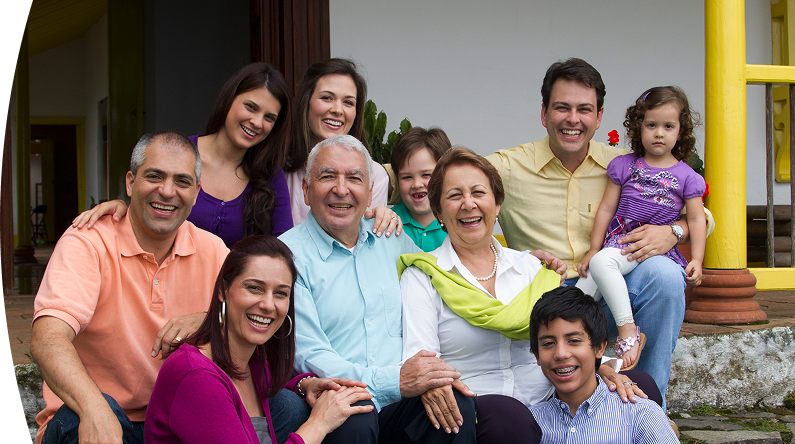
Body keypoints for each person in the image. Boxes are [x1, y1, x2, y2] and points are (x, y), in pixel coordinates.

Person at [485, 58, 712, 408]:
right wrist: (376, 187)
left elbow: (704, 217)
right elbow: (441, 174)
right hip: (548, 300)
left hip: (611, 293)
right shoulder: (508, 166)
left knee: (665, 275)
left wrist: (674, 231)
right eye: (562, 108)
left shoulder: (626, 164)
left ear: (599, 117)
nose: (573, 119)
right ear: (544, 113)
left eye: (584, 109)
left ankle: (648, 407)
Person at [397, 147, 659, 443]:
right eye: (454, 196)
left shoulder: (531, 269)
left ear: (497, 205)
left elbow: (565, 337)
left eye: (478, 193)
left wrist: (600, 369)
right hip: (478, 410)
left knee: (638, 386)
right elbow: (422, 361)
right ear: (439, 212)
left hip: (551, 397)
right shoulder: (425, 276)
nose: (468, 204)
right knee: (509, 417)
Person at [30, 131, 229, 444]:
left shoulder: (213, 250)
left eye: (182, 181)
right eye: (154, 176)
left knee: (285, 406)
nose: (167, 191)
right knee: (80, 419)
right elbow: (47, 339)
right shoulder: (88, 241)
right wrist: (93, 407)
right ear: (130, 183)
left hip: (171, 420)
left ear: (196, 191)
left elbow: (258, 322)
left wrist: (212, 318)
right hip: (99, 417)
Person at [279, 135, 476, 444]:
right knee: (354, 414)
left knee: (455, 406)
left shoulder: (392, 237)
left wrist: (520, 261)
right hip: (339, 397)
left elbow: (447, 283)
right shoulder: (285, 256)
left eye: (354, 178)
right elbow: (310, 354)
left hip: (404, 397)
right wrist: (396, 381)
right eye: (327, 176)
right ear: (305, 190)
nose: (341, 189)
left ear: (371, 193)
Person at [145, 235, 375, 444]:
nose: (267, 305)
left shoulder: (251, 358)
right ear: (223, 291)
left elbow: (271, 382)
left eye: (280, 293)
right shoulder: (194, 375)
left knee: (358, 409)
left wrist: (305, 386)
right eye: (255, 288)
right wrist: (319, 424)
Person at [73, 63, 294, 246]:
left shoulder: (269, 172)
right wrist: (122, 210)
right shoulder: (180, 153)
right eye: (251, 107)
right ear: (229, 99)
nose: (257, 122)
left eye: (269, 117)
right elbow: (145, 212)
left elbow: (282, 246)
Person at [575, 86, 706, 370]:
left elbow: (696, 219)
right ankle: (596, 362)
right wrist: (594, 249)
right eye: (651, 125)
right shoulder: (624, 165)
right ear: (638, 127)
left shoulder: (688, 177)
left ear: (681, 131)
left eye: (668, 126)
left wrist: (697, 258)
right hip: (621, 243)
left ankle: (627, 332)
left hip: (652, 252)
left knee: (602, 265)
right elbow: (607, 209)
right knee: (577, 303)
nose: (659, 133)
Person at [529, 286, 679, 443]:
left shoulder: (640, 416)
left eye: (573, 341)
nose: (560, 354)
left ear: (600, 348)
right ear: (536, 355)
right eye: (548, 343)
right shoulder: (531, 424)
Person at [284, 58, 391, 226]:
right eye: (327, 98)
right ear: (306, 102)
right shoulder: (280, 170)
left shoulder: (374, 175)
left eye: (348, 102)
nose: (337, 110)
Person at [389, 126, 452, 251]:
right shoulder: (388, 223)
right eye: (407, 177)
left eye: (426, 175)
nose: (417, 184)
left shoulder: (457, 222)